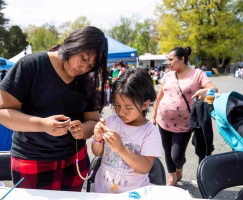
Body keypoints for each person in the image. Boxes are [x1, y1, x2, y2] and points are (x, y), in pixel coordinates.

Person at [0, 26, 108, 191]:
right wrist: (42, 125)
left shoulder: (86, 79)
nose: (83, 68)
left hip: (74, 161)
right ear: (74, 44)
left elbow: (93, 121)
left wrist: (82, 130)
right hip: (32, 160)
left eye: (90, 66)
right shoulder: (31, 65)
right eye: (83, 58)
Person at [151, 46, 218, 186]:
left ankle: (179, 167)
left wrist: (204, 90)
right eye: (167, 60)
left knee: (177, 155)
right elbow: (159, 97)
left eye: (171, 59)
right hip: (163, 121)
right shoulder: (167, 75)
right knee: (167, 151)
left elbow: (214, 89)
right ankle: (172, 177)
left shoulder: (197, 74)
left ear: (182, 59)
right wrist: (153, 116)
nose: (168, 63)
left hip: (185, 124)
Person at [92, 69, 162, 193]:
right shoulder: (111, 121)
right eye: (117, 105)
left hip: (133, 195)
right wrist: (97, 138)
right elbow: (98, 153)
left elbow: (145, 167)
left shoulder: (150, 132)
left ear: (145, 105)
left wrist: (121, 149)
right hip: (103, 193)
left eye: (129, 107)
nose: (121, 112)